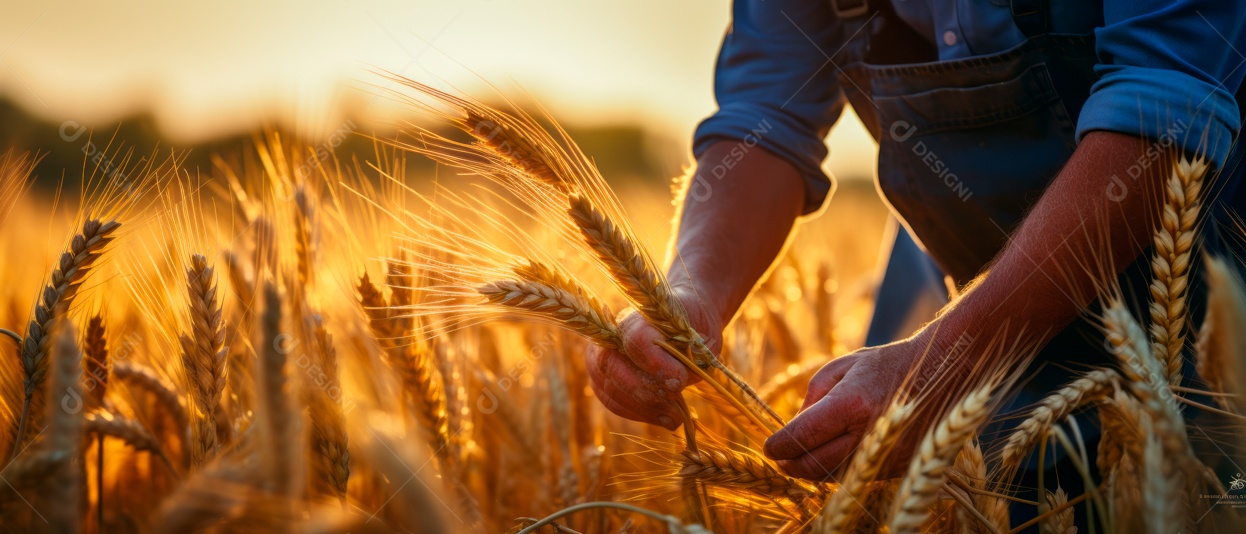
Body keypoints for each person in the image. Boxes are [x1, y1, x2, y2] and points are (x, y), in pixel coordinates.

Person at [586, 0, 1245, 525]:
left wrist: (949, 362)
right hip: (952, 304)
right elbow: (765, 120)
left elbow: (1161, 114)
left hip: (1222, 312)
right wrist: (689, 291)